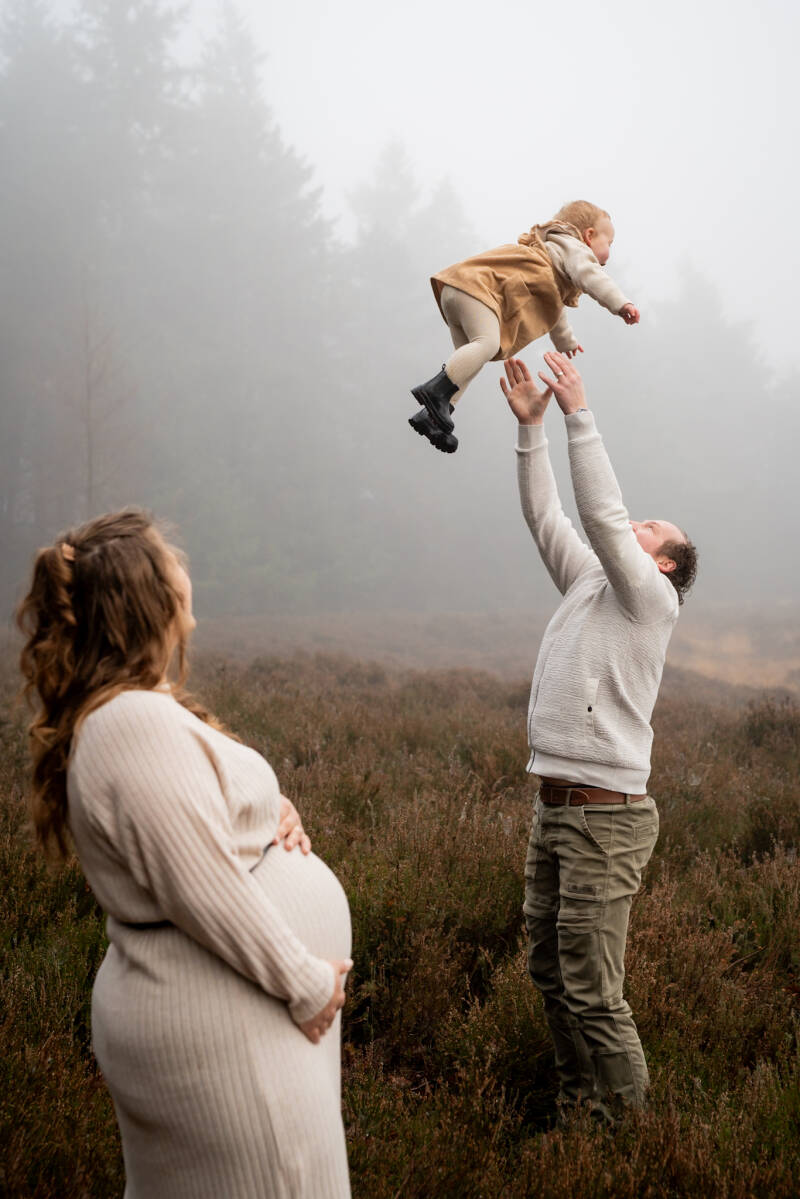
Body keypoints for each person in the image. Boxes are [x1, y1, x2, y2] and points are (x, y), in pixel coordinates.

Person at [17, 510, 353, 1198]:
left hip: (238, 1022)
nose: (185, 571)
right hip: (230, 1030)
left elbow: (192, 832)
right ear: (150, 597)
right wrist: (305, 981)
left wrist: (267, 814)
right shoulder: (131, 723)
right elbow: (199, 884)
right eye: (172, 561)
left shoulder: (135, 711)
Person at [500, 352, 697, 1122]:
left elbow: (604, 519)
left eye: (653, 528)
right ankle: (581, 1110)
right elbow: (549, 518)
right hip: (557, 808)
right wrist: (531, 431)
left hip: (605, 818)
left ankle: (633, 1135)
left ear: (665, 562)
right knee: (551, 971)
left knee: (591, 984)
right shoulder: (592, 583)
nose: (635, 522)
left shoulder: (652, 599)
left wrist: (581, 413)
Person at [409, 200, 639, 454]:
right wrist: (621, 304)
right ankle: (435, 391)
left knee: (471, 359)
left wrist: (565, 341)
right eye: (610, 243)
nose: (610, 252)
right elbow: (591, 276)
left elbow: (554, 308)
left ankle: (433, 417)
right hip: (474, 290)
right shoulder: (574, 248)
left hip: (456, 290)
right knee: (487, 344)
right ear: (589, 235)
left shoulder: (553, 258)